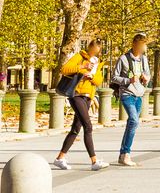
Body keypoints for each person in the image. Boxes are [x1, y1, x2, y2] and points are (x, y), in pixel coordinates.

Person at [53, 40, 108, 171]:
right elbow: (64, 69)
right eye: (93, 48)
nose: (95, 51)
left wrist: (91, 77)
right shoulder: (80, 57)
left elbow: (99, 80)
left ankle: (60, 158)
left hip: (88, 97)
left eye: (98, 50)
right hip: (76, 94)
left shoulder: (98, 63)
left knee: (75, 129)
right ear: (89, 47)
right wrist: (82, 67)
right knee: (88, 126)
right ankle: (94, 161)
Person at [113, 32, 151, 167]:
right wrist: (128, 80)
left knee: (132, 124)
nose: (142, 49)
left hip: (139, 95)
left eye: (144, 47)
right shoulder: (123, 59)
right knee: (134, 121)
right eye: (141, 46)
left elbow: (148, 74)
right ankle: (126, 153)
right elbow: (114, 77)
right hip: (127, 94)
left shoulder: (144, 59)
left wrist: (146, 78)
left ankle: (123, 155)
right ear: (135, 44)